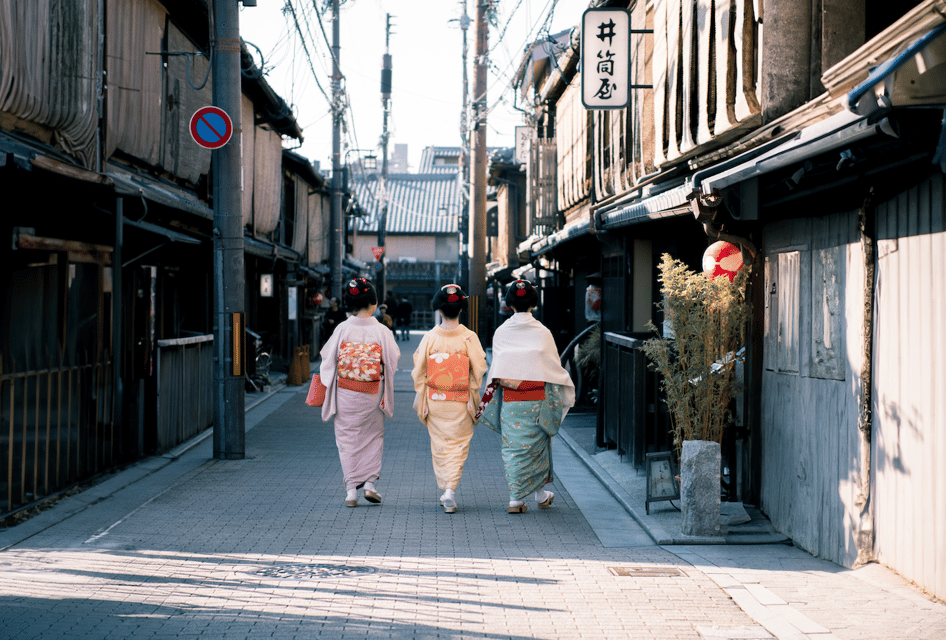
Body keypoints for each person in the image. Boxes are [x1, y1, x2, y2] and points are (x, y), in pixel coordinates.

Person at [477, 279, 575, 513]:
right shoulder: (542, 333)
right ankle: (537, 496)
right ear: (533, 303)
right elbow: (553, 368)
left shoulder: (501, 332)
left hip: (512, 402)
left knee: (513, 449)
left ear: (509, 304)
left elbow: (497, 370)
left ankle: (518, 499)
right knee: (539, 446)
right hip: (538, 400)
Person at [319, 278, 400, 507]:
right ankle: (370, 484)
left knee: (347, 438)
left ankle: (350, 492)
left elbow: (327, 359)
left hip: (346, 393)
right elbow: (392, 359)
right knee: (373, 437)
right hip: (372, 393)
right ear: (373, 304)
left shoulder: (342, 328)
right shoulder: (382, 330)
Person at [411, 284, 488, 514]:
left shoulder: (430, 337)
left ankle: (446, 488)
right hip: (460, 398)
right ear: (461, 310)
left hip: (436, 399)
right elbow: (480, 366)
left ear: (440, 311)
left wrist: (426, 386)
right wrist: (470, 387)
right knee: (459, 445)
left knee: (440, 445)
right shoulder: (468, 337)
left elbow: (419, 369)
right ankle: (450, 491)